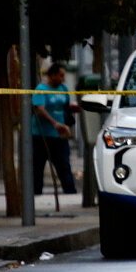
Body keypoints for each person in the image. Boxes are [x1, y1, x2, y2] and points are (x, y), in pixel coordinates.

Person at [31, 63, 77, 195]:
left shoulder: (63, 88)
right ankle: (36, 192)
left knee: (64, 165)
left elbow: (65, 107)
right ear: (52, 75)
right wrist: (54, 123)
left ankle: (69, 191)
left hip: (60, 136)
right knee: (38, 166)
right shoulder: (41, 89)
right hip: (42, 135)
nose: (63, 78)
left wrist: (72, 110)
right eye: (61, 75)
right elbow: (39, 109)